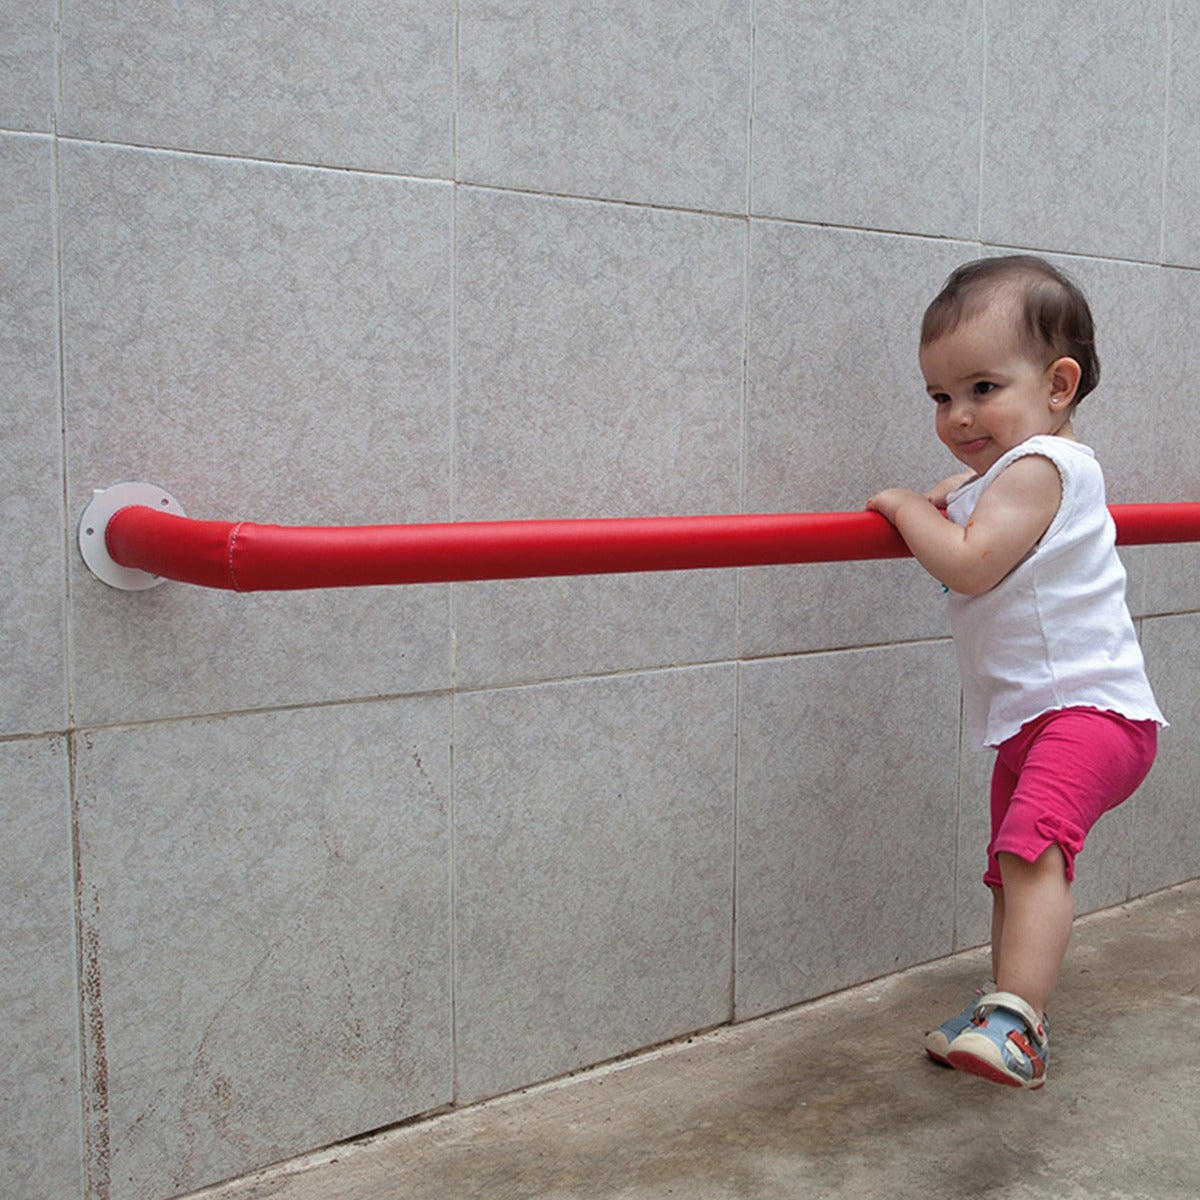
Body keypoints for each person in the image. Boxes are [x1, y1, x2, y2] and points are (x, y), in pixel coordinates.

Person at [866, 255, 1166, 1090]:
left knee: (1032, 852)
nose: (957, 415)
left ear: (1059, 385)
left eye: (982, 389)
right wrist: (962, 488)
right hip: (1035, 718)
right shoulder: (1014, 472)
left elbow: (968, 565)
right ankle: (1006, 1004)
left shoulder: (1043, 468)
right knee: (1012, 862)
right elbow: (984, 526)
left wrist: (902, 508)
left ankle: (1018, 1026)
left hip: (1087, 713)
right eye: (939, 396)